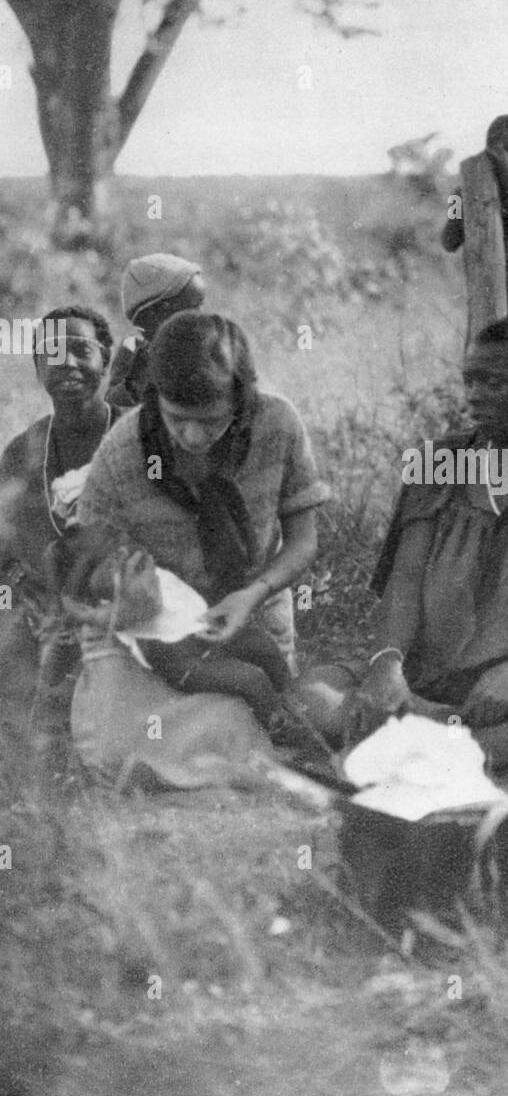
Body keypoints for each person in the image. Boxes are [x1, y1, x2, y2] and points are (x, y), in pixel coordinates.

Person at [298, 305, 508, 771]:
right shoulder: (438, 462)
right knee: (310, 694)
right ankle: (471, 747)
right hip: (425, 681)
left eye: (494, 383)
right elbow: (406, 580)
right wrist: (387, 666)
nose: (474, 397)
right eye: (470, 381)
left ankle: (440, 750)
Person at [73, 312, 330, 785]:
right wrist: (123, 592)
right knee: (134, 740)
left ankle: (298, 738)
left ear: (242, 399)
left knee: (267, 677)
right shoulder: (124, 450)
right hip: (154, 627)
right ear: (155, 399)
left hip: (247, 602)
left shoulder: (277, 425)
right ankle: (283, 748)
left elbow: (302, 540)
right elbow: (87, 561)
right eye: (176, 419)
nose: (192, 436)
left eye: (210, 421)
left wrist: (251, 595)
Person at [0, 306, 128, 765]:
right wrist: (20, 583)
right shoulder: (24, 451)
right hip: (53, 605)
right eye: (53, 354)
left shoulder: (135, 433)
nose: (68, 363)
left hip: (129, 594)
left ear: (106, 359)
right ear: (38, 368)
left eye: (82, 350)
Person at [50, 525, 292, 728]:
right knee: (250, 679)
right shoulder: (108, 606)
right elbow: (140, 604)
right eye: (106, 561)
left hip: (201, 628)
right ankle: (276, 726)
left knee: (262, 645)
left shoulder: (140, 561)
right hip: (179, 657)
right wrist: (82, 603)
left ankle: (292, 696)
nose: (122, 555)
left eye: (116, 545)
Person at [442, 115, 508, 310]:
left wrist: (505, 179)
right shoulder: (458, 196)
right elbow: (449, 241)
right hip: (484, 300)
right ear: (492, 150)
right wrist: (461, 199)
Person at [107, 254, 206, 408]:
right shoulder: (133, 351)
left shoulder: (209, 348)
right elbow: (112, 403)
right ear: (157, 315)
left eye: (201, 305)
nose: (202, 316)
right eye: (193, 308)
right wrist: (134, 386)